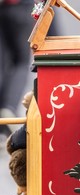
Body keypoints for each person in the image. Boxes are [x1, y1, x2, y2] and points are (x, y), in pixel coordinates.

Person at [0, 0, 35, 140]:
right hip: (22, 7)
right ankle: (8, 106)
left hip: (3, 9)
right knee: (21, 62)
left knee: (2, 62)